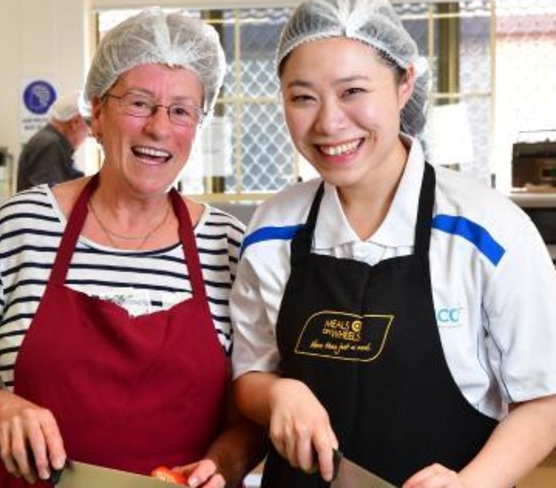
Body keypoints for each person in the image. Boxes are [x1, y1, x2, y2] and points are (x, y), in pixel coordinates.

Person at [0, 7, 266, 488]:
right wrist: (4, 407)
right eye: (138, 103)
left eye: (180, 110)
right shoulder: (19, 226)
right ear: (98, 112)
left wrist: (223, 466)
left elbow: (246, 417)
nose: (158, 128)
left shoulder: (227, 246)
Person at [230, 0, 556, 487]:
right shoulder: (273, 228)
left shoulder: (487, 230)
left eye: (353, 91)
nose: (329, 122)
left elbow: (546, 397)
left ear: (404, 83)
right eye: (303, 98)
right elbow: (250, 375)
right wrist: (279, 394)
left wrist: (470, 485)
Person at [16, 91, 89, 191]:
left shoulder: (53, 142)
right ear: (75, 123)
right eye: (88, 123)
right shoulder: (51, 145)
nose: (90, 132)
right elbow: (47, 196)